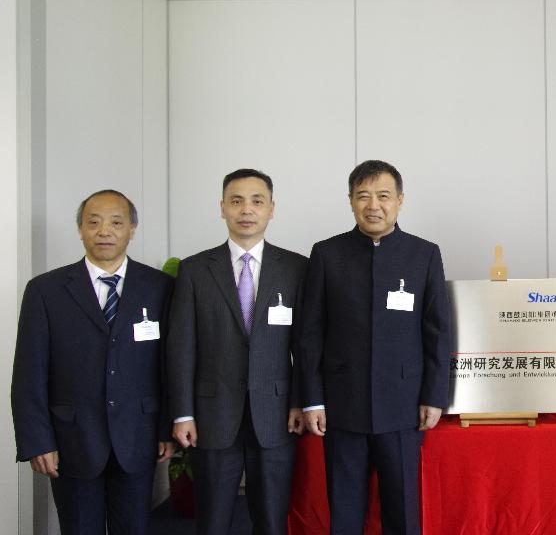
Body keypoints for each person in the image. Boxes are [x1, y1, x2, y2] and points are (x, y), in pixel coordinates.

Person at [298, 159, 451, 535]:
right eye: (363, 196)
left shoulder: (423, 254)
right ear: (351, 201)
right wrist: (312, 400)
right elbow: (310, 333)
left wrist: (434, 396)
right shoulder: (327, 253)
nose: (373, 205)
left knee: (402, 507)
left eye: (383, 196)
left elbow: (437, 331)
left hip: (403, 404)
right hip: (341, 404)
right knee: (344, 509)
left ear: (400, 200)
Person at [11, 189, 175, 535]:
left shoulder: (161, 287)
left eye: (116, 222)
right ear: (81, 229)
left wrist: (165, 429)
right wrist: (38, 441)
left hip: (139, 437)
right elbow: (29, 374)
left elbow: (170, 367)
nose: (104, 231)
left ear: (132, 229)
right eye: (94, 222)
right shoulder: (46, 290)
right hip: (72, 439)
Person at [166, 168, 308, 535]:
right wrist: (182, 413)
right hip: (212, 414)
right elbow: (181, 347)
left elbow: (305, 346)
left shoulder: (296, 268)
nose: (247, 209)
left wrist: (299, 402)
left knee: (272, 521)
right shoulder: (195, 270)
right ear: (222, 208)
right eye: (237, 201)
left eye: (257, 201)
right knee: (212, 522)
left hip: (276, 414)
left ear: (271, 208)